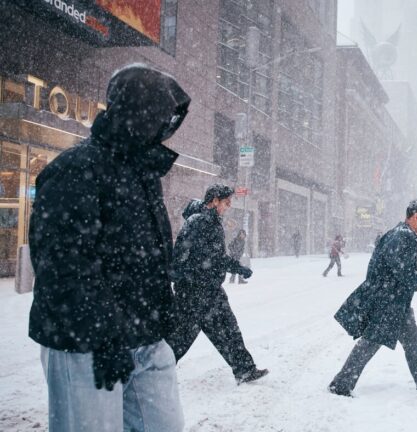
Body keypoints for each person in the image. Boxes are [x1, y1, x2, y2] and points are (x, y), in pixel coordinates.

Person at [28, 63, 189, 431]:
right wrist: (101, 336)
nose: (164, 127)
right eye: (157, 116)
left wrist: (165, 316)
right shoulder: (74, 169)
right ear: (134, 113)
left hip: (145, 338)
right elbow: (63, 265)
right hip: (84, 343)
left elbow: (152, 255)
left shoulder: (144, 174)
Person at [329, 200, 417, 397]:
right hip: (389, 302)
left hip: (395, 301)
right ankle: (341, 384)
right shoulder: (403, 237)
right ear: (416, 217)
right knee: (370, 342)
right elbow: (400, 268)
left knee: (412, 339)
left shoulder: (398, 233)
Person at [166, 184, 268, 385]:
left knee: (228, 330)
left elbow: (216, 258)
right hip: (195, 293)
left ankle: (245, 369)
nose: (227, 207)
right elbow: (180, 257)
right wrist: (187, 282)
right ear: (214, 201)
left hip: (210, 291)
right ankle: (152, 373)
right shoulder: (199, 223)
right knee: (179, 340)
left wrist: (237, 268)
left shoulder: (211, 223)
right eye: (226, 203)